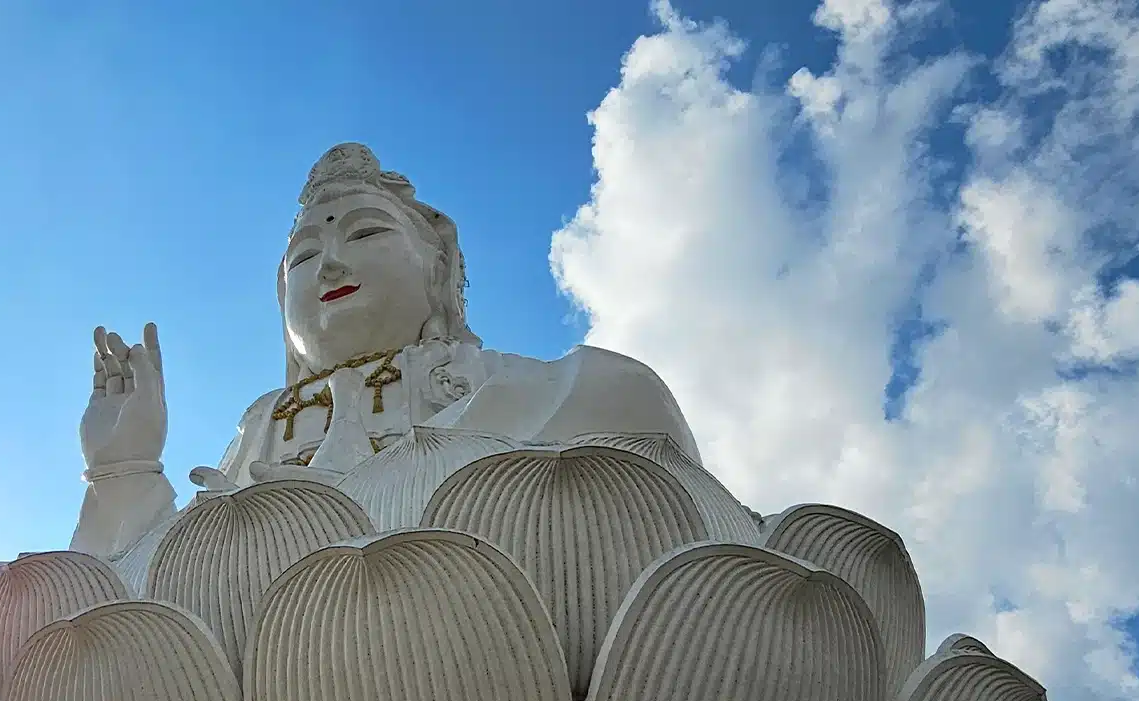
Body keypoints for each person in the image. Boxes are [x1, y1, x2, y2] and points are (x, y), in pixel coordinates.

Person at [71, 142, 699, 559]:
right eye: (306, 255)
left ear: (439, 267)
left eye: (366, 232)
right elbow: (161, 587)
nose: (331, 264)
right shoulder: (265, 422)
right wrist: (122, 469)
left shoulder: (568, 389)